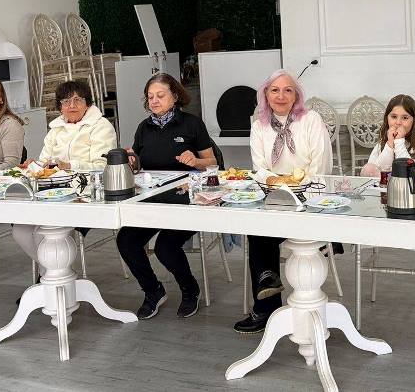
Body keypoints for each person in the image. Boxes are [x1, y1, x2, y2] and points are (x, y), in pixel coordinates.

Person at [233, 69, 332, 334]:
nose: (281, 95)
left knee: (264, 230)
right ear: (266, 94)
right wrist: (281, 187)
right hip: (275, 197)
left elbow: (320, 167)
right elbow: (260, 169)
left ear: (296, 95)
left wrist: (291, 185)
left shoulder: (311, 120)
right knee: (258, 225)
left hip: (311, 198)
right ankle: (268, 300)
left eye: (288, 90)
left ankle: (275, 304)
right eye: (275, 90)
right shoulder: (259, 126)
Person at [115, 73, 216, 320]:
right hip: (152, 199)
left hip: (186, 199)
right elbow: (137, 162)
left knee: (165, 247)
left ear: (175, 96)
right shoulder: (144, 127)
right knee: (126, 240)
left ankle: (190, 289)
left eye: (160, 95)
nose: (154, 101)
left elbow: (213, 162)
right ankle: (153, 290)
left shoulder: (192, 124)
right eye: (150, 97)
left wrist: (196, 161)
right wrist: (130, 160)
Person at [12, 81, 117, 279]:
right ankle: (51, 274)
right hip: (51, 191)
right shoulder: (55, 129)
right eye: (66, 101)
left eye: (78, 100)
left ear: (88, 103)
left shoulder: (101, 126)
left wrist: (70, 165)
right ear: (60, 106)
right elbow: (45, 163)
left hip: (84, 192)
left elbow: (102, 166)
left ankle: (51, 279)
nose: (72, 105)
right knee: (20, 230)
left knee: (43, 232)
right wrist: (35, 165)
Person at [360, 94, 415, 179]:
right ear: (387, 118)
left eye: (405, 118)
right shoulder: (387, 137)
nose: (398, 122)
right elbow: (378, 170)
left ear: (414, 120)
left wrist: (399, 140)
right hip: (396, 184)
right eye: (394, 117)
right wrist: (390, 144)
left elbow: (407, 172)